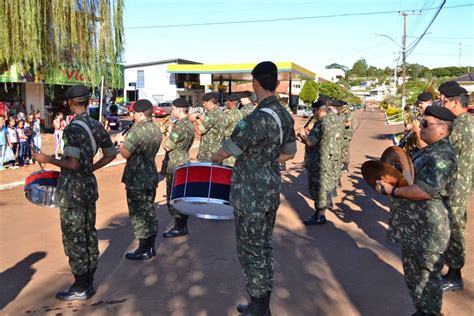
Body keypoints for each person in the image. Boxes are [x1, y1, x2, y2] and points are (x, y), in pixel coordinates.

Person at [211, 61, 296, 315]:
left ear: (255, 84)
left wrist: (213, 159)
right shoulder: (284, 115)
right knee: (264, 247)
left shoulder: (255, 119)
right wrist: (264, 160)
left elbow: (226, 151)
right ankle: (262, 304)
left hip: (250, 196)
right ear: (277, 84)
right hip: (270, 190)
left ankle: (259, 308)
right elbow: (290, 153)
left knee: (251, 251)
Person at [33, 84, 116, 301]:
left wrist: (47, 159)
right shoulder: (96, 125)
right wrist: (93, 168)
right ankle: (87, 281)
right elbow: (111, 153)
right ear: (88, 101)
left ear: (70, 103)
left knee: (75, 238)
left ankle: (80, 287)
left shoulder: (73, 129)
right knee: (88, 233)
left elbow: (73, 164)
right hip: (88, 188)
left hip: (73, 192)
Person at [376, 106, 457, 316]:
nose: (420, 127)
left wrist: (393, 190)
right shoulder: (429, 150)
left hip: (428, 231)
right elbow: (411, 179)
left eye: (425, 124)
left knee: (427, 281)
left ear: (442, 130)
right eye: (421, 122)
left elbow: (424, 191)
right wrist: (390, 180)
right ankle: (422, 311)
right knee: (415, 279)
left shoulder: (441, 156)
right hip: (415, 229)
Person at [116, 99, 162, 260]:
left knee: (138, 213)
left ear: (140, 113)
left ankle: (143, 248)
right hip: (150, 173)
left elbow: (125, 154)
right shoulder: (156, 129)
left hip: (137, 176)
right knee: (149, 210)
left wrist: (120, 143)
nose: (133, 115)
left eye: (134, 113)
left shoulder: (137, 130)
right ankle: (150, 246)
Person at [440, 83, 474, 292]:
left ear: (454, 102)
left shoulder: (459, 127)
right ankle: (453, 272)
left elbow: (445, 155)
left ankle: (454, 276)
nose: (442, 104)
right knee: (456, 227)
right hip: (463, 184)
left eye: (444, 101)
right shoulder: (468, 123)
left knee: (454, 229)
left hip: (455, 186)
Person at [161, 98, 195, 238]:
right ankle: (181, 225)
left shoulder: (180, 126)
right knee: (181, 195)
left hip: (175, 164)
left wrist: (166, 135)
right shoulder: (189, 124)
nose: (172, 111)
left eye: (173, 109)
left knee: (174, 196)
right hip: (184, 161)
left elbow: (167, 146)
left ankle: (179, 226)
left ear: (180, 110)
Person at [298, 95, 334, 225]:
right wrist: (304, 139)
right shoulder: (329, 121)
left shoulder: (321, 123)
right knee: (321, 187)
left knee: (317, 188)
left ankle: (319, 215)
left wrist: (303, 134)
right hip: (324, 158)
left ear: (320, 110)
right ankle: (320, 214)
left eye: (314, 111)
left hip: (318, 161)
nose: (313, 113)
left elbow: (311, 142)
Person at [189, 92, 224, 162]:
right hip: (217, 149)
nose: (203, 104)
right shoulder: (219, 111)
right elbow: (208, 123)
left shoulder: (212, 115)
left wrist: (193, 121)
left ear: (210, 103)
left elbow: (199, 131)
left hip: (208, 152)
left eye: (205, 102)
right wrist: (199, 117)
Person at [223, 93, 243, 167]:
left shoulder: (230, 114)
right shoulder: (240, 113)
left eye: (226, 101)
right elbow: (242, 126)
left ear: (231, 102)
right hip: (237, 143)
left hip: (229, 143)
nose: (225, 103)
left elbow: (221, 126)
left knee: (228, 167)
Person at [340, 101, 353, 173]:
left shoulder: (348, 113)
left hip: (346, 135)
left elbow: (348, 124)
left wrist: (339, 125)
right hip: (342, 134)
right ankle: (342, 164)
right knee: (341, 149)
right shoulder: (343, 113)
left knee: (345, 150)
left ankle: (345, 166)